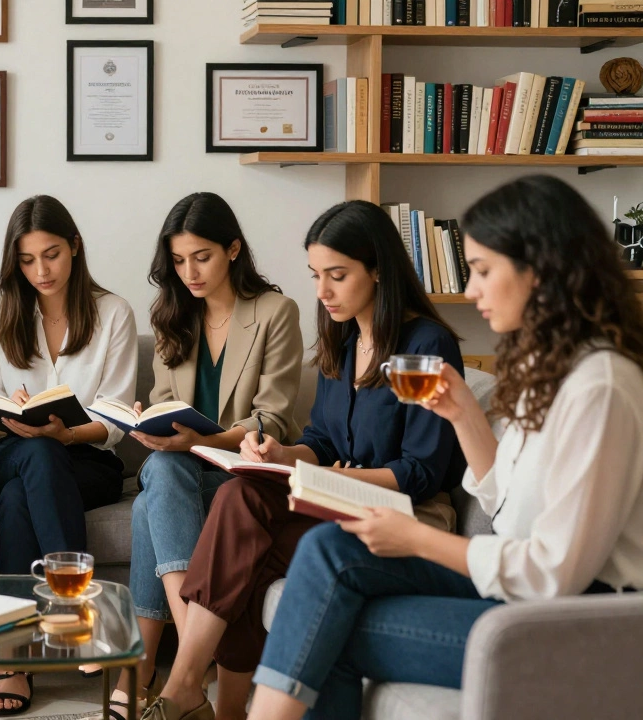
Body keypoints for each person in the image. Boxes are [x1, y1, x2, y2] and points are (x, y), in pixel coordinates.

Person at [245, 176, 643, 720]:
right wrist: (463, 416)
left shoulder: (601, 386)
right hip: (526, 594)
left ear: (540, 270)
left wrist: (414, 538)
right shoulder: (548, 369)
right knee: (326, 554)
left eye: (482, 271)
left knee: (323, 622)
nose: (472, 291)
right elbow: (509, 508)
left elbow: (554, 574)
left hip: (577, 620)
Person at [142, 200, 466, 720]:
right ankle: (195, 695)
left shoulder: (427, 345)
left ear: (378, 268)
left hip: (401, 519)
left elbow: (422, 472)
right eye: (316, 275)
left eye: (337, 275)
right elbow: (321, 440)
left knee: (245, 539)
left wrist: (348, 479)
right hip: (335, 504)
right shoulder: (343, 339)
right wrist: (280, 452)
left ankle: (187, 694)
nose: (322, 291)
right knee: (240, 496)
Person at [115, 192, 304, 719]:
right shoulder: (173, 314)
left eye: (202, 256)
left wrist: (199, 441)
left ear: (234, 250)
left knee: (153, 492)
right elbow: (162, 402)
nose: (189, 272)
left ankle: (161, 670)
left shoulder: (275, 312)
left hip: (239, 478)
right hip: (180, 469)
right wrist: (145, 421)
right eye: (178, 260)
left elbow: (274, 419)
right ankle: (188, 672)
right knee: (163, 469)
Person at [0, 195, 137, 715]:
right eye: (26, 260)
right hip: (6, 455)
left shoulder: (114, 313)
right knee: (33, 458)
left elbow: (114, 421)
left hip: (86, 460)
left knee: (30, 483)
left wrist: (68, 435)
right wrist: (9, 413)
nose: (40, 270)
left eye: (51, 255)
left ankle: (15, 662)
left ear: (75, 249)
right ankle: (76, 608)